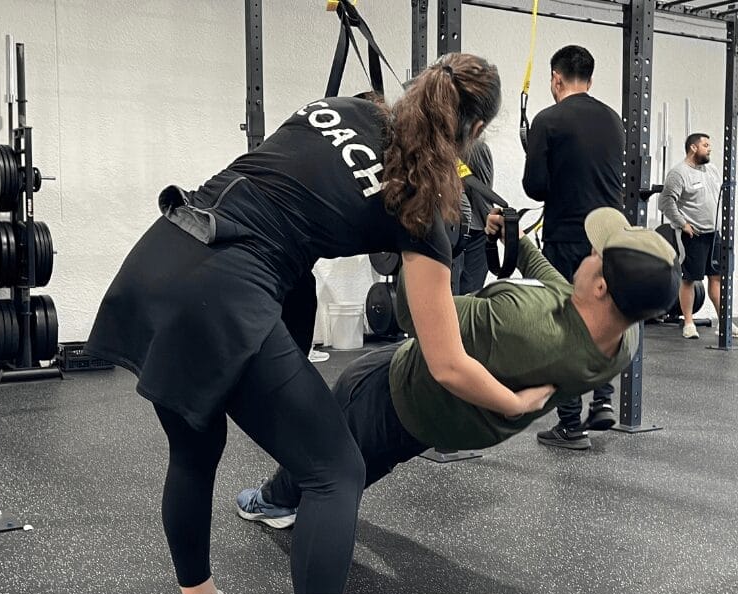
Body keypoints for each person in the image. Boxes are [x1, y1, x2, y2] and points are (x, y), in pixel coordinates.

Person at [84, 53, 556, 594]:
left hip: (163, 249)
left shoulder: (337, 108)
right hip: (225, 291)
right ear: (474, 131)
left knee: (193, 449)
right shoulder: (420, 211)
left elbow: (317, 190)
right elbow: (447, 363)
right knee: (335, 473)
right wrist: (514, 404)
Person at [235, 207, 681, 528]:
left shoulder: (521, 320)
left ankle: (275, 503)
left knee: (328, 451)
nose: (587, 254)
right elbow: (560, 288)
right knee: (376, 456)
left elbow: (421, 315)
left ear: (601, 285)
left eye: (596, 255)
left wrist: (422, 237)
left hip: (404, 391)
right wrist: (518, 241)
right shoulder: (625, 337)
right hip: (456, 423)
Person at [521, 45, 625, 450]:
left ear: (556, 78)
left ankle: (570, 426)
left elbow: (536, 187)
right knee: (606, 316)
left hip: (566, 234)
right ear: (591, 80)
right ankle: (602, 400)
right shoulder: (613, 119)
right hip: (608, 234)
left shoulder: (547, 120)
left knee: (568, 325)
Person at [658, 133, 738, 341]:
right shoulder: (679, 173)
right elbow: (665, 203)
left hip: (714, 234)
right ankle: (688, 323)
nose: (709, 149)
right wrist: (683, 224)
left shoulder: (712, 170)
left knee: (717, 278)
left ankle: (724, 323)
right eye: (705, 145)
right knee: (689, 279)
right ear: (693, 147)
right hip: (693, 234)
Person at [451, 140, 495, 294]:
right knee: (467, 299)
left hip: (458, 231)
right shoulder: (474, 146)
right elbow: (484, 197)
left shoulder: (473, 146)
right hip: (469, 233)